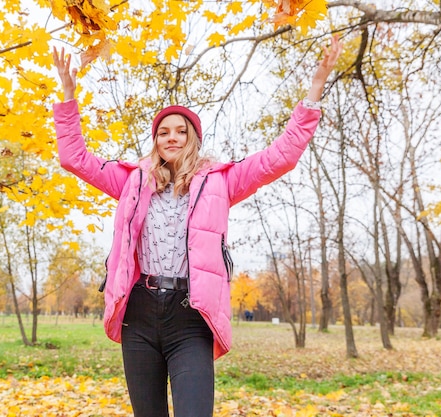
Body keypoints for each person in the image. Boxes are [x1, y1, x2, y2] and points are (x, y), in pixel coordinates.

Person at [52, 35, 343, 417]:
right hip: (138, 313)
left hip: (190, 316)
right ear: (155, 141)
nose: (171, 137)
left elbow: (282, 156)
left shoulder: (221, 181)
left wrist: (315, 88)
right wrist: (68, 95)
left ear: (193, 138)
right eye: (163, 132)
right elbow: (74, 157)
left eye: (180, 131)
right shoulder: (132, 181)